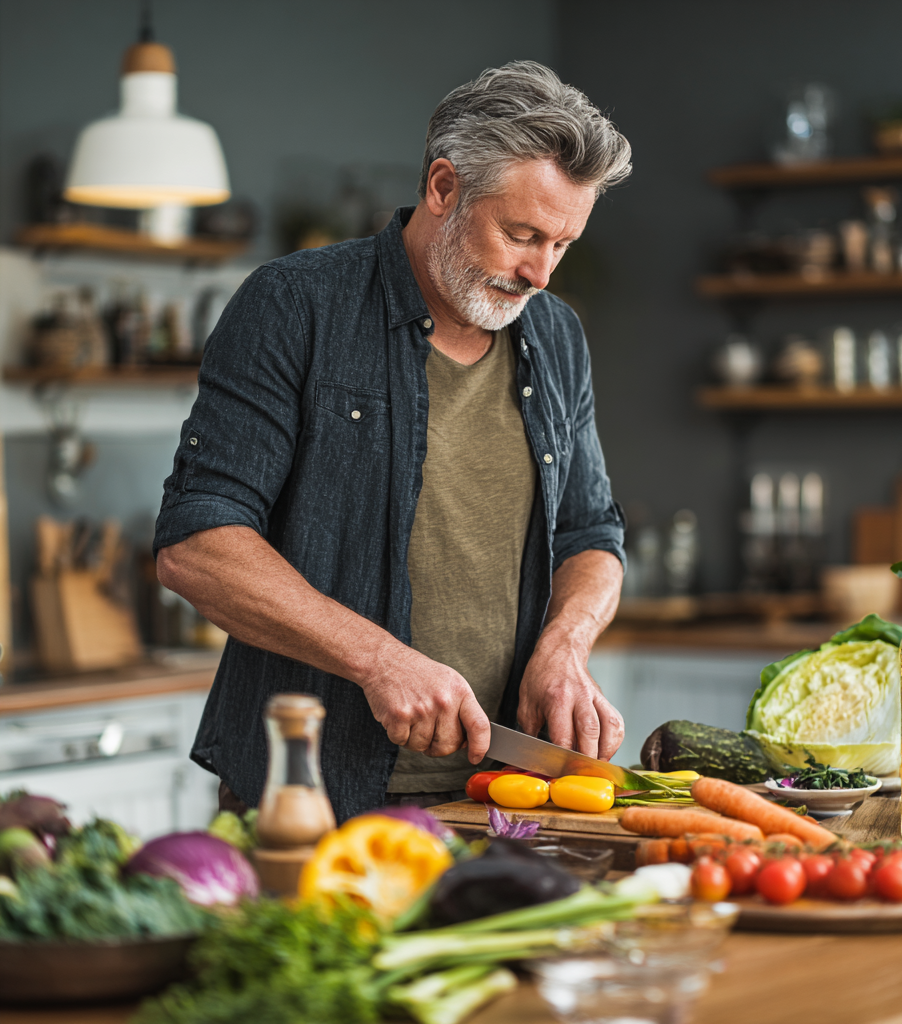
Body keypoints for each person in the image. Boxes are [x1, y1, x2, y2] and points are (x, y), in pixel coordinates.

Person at [154, 61, 633, 821]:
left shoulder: (556, 335)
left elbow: (591, 532)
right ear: (443, 188)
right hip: (311, 794)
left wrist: (565, 646)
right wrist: (379, 660)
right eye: (520, 234)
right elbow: (197, 543)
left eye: (563, 244)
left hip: (501, 794)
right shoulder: (294, 306)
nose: (540, 272)